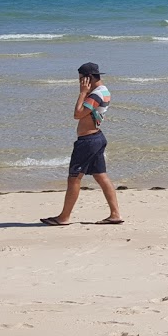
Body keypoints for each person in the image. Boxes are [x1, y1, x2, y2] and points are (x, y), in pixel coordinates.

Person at [40, 62, 125, 226]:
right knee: (101, 176)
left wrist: (82, 93)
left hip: (88, 141)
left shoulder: (96, 95)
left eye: (81, 79)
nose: (79, 82)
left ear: (89, 78)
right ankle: (115, 214)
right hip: (96, 138)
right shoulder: (102, 91)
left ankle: (64, 217)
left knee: (74, 179)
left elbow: (78, 114)